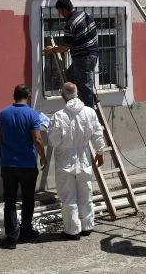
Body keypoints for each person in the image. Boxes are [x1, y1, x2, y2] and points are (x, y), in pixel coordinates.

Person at [47, 82, 105, 240]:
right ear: (77, 93)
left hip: (65, 160)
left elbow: (53, 142)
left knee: (68, 196)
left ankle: (72, 230)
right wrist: (100, 151)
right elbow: (98, 132)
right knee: (85, 193)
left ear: (63, 95)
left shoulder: (59, 115)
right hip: (84, 156)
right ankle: (87, 226)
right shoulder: (89, 112)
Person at [0, 84, 46, 249]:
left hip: (8, 164)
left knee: (9, 201)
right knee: (28, 199)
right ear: (28, 96)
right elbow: (37, 139)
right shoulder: (32, 114)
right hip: (27, 164)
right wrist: (43, 157)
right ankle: (25, 231)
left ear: (14, 95)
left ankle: (11, 238)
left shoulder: (3, 114)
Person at [43, 0, 98, 108]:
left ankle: (89, 112)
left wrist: (52, 50)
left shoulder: (71, 23)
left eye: (60, 11)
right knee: (70, 76)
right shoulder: (86, 15)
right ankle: (90, 98)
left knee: (85, 87)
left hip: (83, 59)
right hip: (93, 54)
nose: (60, 14)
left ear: (64, 9)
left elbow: (65, 48)